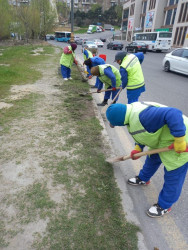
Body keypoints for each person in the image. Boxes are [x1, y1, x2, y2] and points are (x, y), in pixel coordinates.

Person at [106, 102, 188, 218]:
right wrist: (138, 147)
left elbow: (173, 113)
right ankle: (143, 178)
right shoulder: (131, 115)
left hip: (181, 143)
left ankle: (164, 206)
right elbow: (142, 132)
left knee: (173, 177)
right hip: (162, 141)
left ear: (120, 121)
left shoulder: (144, 115)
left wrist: (180, 140)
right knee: (151, 161)